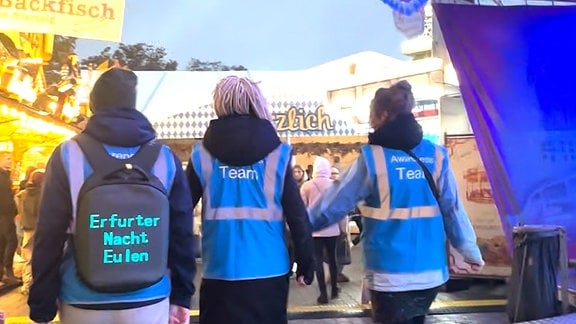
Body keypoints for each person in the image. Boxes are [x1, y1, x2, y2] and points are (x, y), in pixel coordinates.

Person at [28, 68, 196, 324]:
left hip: (82, 299)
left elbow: (49, 235)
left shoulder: (68, 155)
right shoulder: (165, 159)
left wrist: (42, 304)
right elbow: (181, 233)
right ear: (133, 104)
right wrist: (182, 296)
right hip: (150, 298)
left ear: (94, 104)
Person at [309, 80, 484, 324]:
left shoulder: (371, 159)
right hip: (431, 274)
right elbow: (452, 209)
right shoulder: (436, 155)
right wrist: (470, 252)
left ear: (382, 115)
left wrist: (297, 227)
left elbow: (331, 206)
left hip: (389, 274)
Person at [186, 75, 315, 324]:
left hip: (219, 272)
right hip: (270, 273)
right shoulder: (278, 155)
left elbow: (178, 213)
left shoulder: (201, 156)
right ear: (256, 104)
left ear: (219, 104)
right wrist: (306, 262)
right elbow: (298, 216)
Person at [300, 156, 340, 304]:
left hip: (315, 229)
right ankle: (335, 288)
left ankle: (323, 294)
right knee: (332, 258)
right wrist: (342, 227)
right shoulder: (335, 185)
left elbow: (302, 209)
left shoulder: (307, 186)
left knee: (318, 260)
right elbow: (340, 209)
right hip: (332, 227)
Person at [15, 169, 45, 295]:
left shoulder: (21, 194)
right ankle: (41, 283)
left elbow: (16, 202)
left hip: (27, 229)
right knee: (43, 256)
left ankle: (26, 286)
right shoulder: (42, 194)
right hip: (40, 229)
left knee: (29, 259)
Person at [0, 151, 19, 282]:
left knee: (3, 242)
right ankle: (8, 272)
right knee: (12, 241)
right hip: (5, 213)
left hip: (5, 213)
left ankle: (3, 272)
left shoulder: (6, 175)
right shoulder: (2, 176)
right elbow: (5, 197)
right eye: (7, 159)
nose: (10, 161)